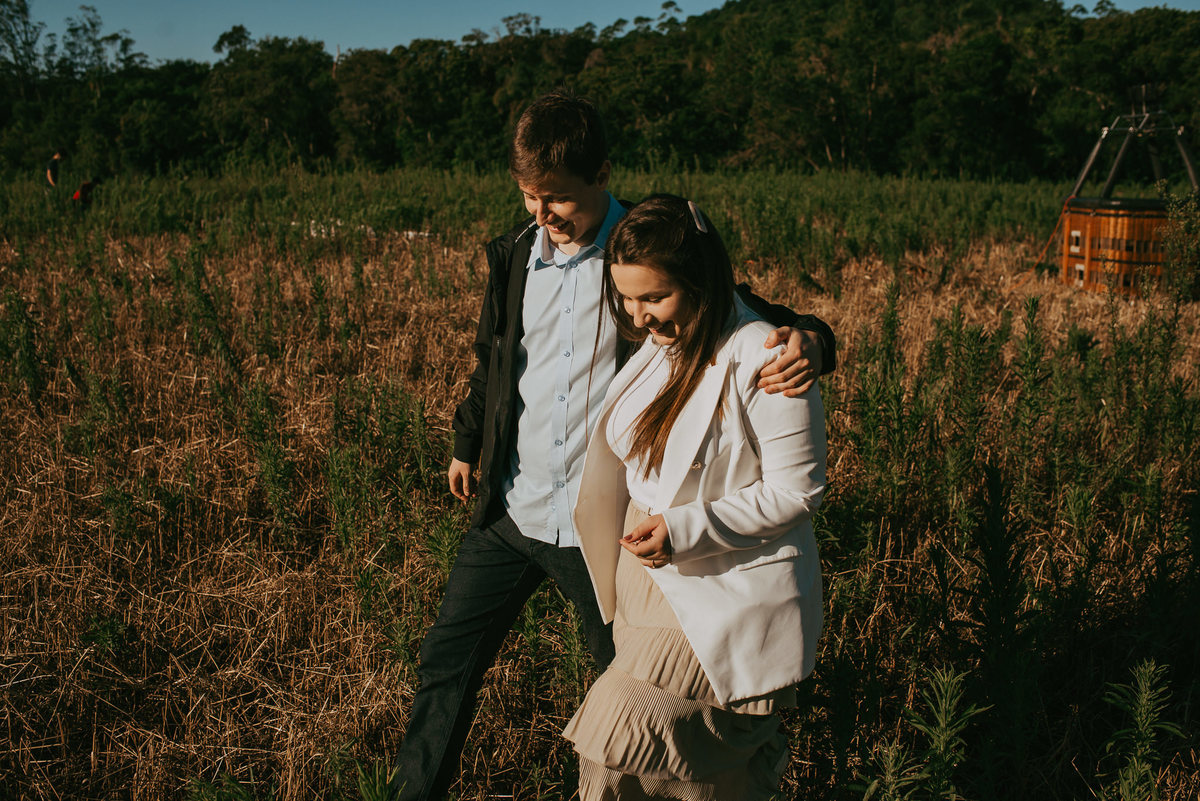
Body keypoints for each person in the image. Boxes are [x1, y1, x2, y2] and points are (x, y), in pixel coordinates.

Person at [386, 91, 836, 801]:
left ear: (601, 173)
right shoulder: (515, 257)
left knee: (624, 704)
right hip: (510, 507)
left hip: (599, 531)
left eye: (556, 197)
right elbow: (496, 357)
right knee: (446, 661)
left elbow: (751, 318)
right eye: (530, 195)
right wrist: (468, 441)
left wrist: (812, 338)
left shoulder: (651, 255)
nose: (541, 214)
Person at [564, 194, 826, 800]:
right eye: (626, 298)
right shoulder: (661, 348)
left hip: (716, 583)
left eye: (654, 297)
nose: (638, 317)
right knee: (690, 775)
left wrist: (685, 528)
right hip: (643, 583)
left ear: (702, 281)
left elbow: (797, 491)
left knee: (614, 741)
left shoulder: (766, 355)